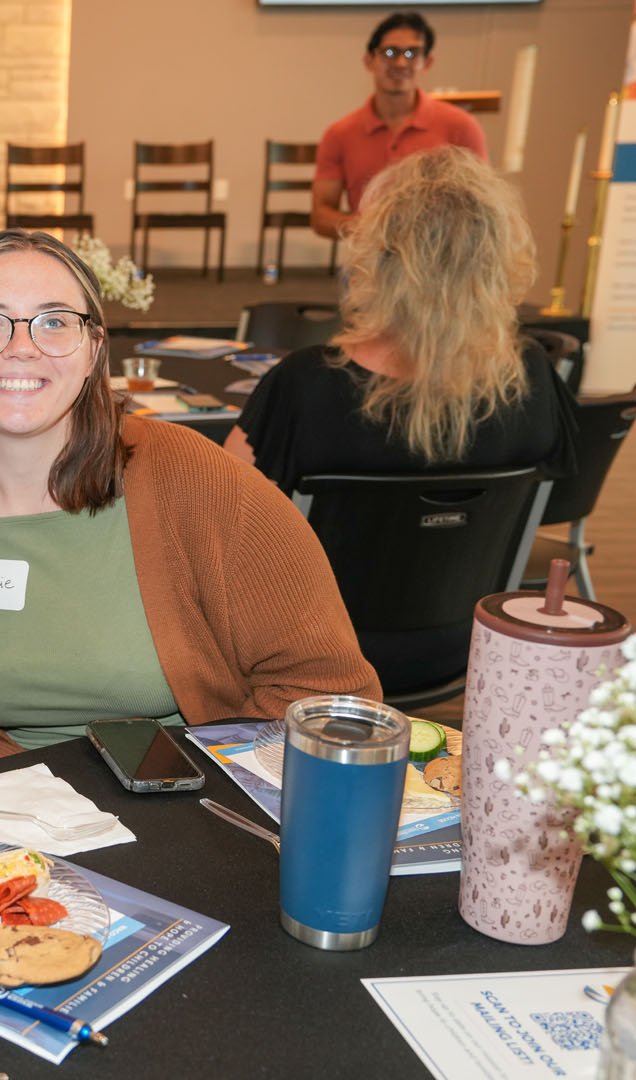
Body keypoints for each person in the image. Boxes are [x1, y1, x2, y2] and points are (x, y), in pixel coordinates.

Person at [0, 229, 378, 783]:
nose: (22, 346)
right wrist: (44, 802)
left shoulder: (197, 482)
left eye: (55, 320)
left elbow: (328, 696)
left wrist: (185, 801)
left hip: (195, 804)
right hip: (4, 824)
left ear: (94, 352)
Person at [228, 147, 575, 693]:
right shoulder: (533, 377)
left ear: (379, 257)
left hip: (311, 656)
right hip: (465, 644)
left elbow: (219, 521)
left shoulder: (306, 384)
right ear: (496, 260)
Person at [311, 11, 486, 240]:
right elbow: (320, 216)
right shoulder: (339, 134)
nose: (401, 62)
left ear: (427, 62)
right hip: (369, 261)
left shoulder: (462, 127)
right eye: (390, 52)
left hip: (441, 264)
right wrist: (372, 228)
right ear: (369, 60)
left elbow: (482, 210)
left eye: (412, 53)